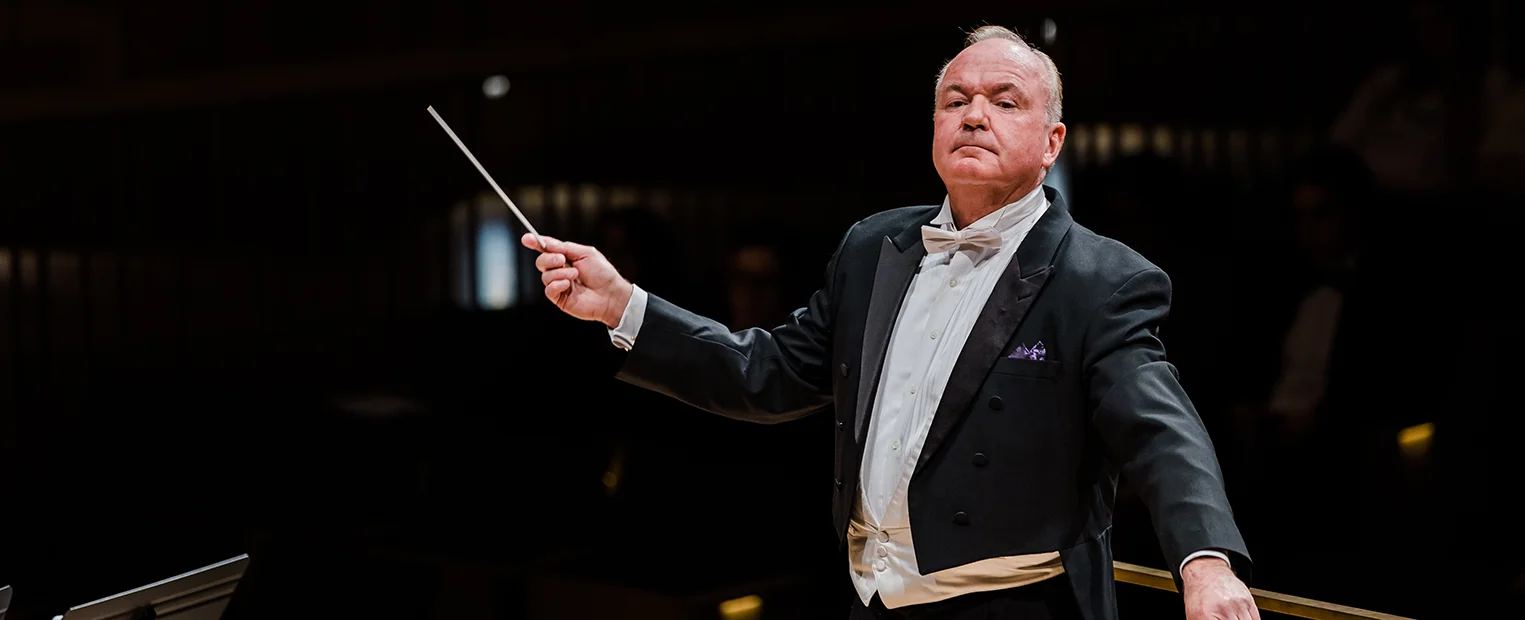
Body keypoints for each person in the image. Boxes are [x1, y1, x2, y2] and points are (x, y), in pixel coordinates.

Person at [522, 26, 1257, 620]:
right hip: (871, 598)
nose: (973, 114)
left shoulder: (1101, 278)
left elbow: (1159, 430)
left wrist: (1204, 560)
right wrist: (622, 305)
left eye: (1005, 101)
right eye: (955, 99)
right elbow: (769, 374)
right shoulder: (874, 246)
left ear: (1052, 142)